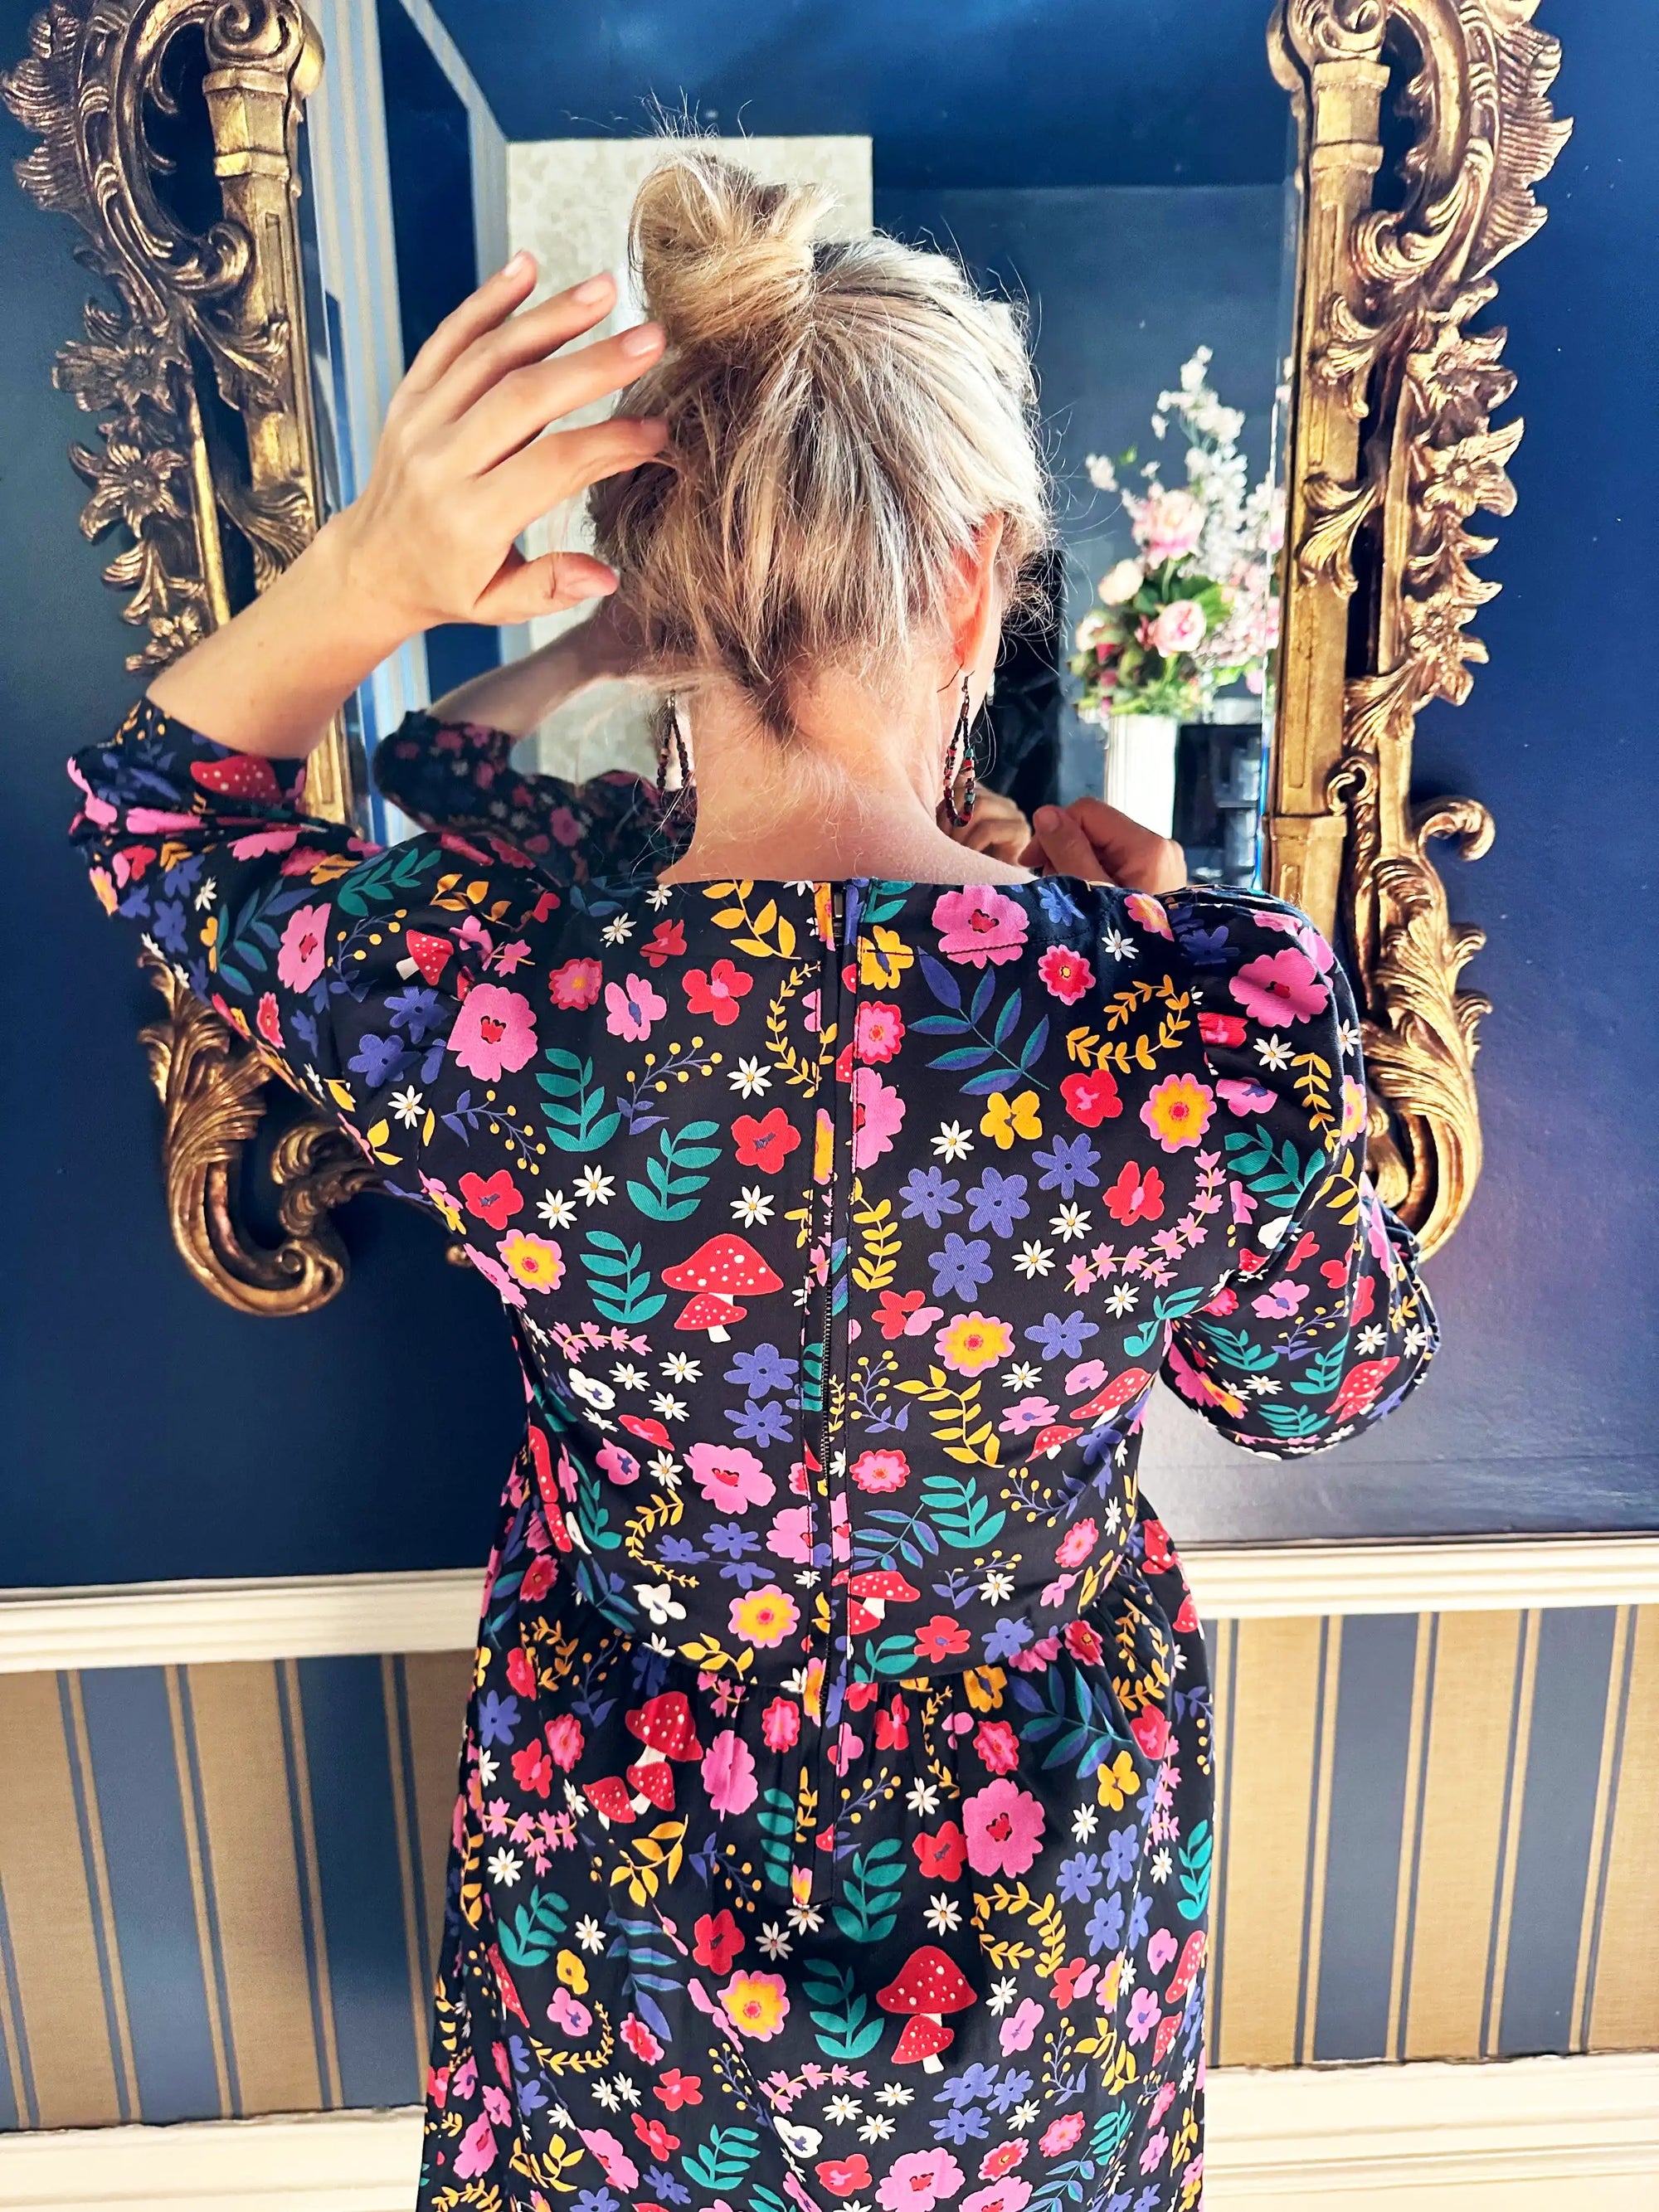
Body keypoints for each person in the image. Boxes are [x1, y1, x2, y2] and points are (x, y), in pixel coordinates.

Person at [70, 151, 1436, 2212]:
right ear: (974, 577)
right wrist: (1156, 989)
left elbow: (161, 815)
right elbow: (1318, 1382)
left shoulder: (497, 991)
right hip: (1033, 1945)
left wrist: (374, 569)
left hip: (618, 1929)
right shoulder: (1203, 1010)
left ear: (652, 604)